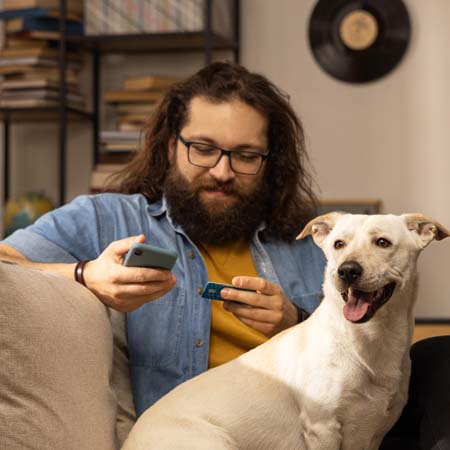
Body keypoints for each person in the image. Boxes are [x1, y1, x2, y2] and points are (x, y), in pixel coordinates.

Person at [0, 61, 448, 449]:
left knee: (440, 358)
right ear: (171, 144)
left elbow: (340, 355)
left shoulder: (312, 242)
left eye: (245, 155)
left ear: (270, 161)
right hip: (197, 432)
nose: (222, 171)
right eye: (203, 148)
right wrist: (84, 274)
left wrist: (293, 319)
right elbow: (6, 259)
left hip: (317, 423)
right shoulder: (106, 218)